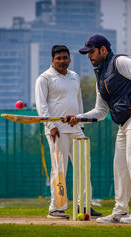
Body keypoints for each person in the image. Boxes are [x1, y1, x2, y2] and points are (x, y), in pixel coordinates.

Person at [67, 35, 131, 224]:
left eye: (91, 52)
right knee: (120, 168)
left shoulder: (121, 62)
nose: (89, 56)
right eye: (87, 53)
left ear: (103, 50)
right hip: (125, 123)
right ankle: (121, 211)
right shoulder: (100, 77)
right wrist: (79, 118)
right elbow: (101, 111)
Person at [35, 45, 102, 219]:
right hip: (57, 130)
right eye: (59, 58)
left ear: (69, 59)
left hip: (76, 128)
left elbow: (78, 101)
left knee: (83, 167)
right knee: (59, 168)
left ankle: (84, 206)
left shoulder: (74, 77)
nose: (63, 61)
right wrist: (50, 126)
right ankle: (56, 208)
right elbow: (41, 105)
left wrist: (80, 121)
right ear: (52, 60)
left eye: (65, 58)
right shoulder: (45, 78)